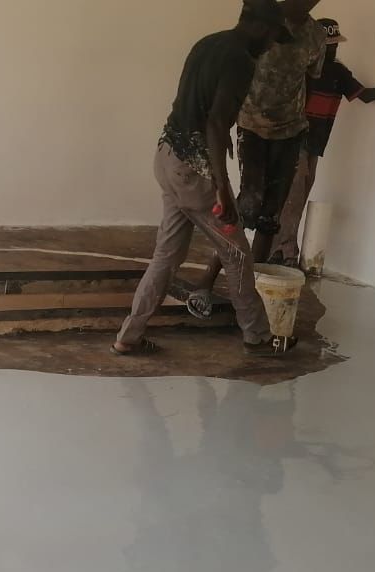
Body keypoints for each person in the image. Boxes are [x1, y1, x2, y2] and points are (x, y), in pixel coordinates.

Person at [114, 0, 297, 357]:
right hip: (193, 173)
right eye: (273, 37)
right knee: (237, 255)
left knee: (166, 256)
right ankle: (258, 336)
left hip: (167, 157)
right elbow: (214, 122)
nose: (271, 46)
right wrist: (223, 190)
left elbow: (198, 107)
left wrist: (220, 136)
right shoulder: (240, 60)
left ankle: (128, 337)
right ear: (261, 27)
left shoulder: (208, 43)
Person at [188, 0, 326, 317]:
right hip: (252, 127)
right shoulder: (267, 21)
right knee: (247, 205)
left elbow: (310, 78)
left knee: (270, 217)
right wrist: (223, 121)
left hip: (290, 132)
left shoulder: (316, 35)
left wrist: (301, 119)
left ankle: (249, 296)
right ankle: (207, 281)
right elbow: (236, 68)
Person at [269, 18, 375, 266]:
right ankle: (285, 251)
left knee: (298, 195)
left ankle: (279, 248)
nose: (333, 49)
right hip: (293, 141)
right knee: (293, 197)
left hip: (315, 144)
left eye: (334, 45)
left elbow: (365, 96)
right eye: (329, 45)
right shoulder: (300, 70)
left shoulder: (338, 73)